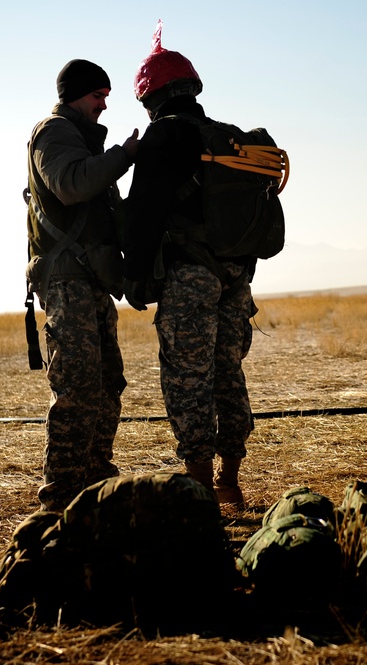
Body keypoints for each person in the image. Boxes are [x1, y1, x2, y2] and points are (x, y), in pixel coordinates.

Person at [123, 26, 257, 505]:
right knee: (229, 373)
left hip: (190, 277)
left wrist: (134, 276)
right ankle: (230, 480)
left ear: (151, 98)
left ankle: (200, 484)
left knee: (187, 378)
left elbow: (143, 212)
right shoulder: (227, 137)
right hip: (237, 277)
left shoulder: (162, 137)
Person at [25, 58, 140, 512]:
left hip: (90, 279)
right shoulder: (52, 134)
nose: (104, 106)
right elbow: (71, 185)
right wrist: (124, 157)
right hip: (68, 280)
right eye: (98, 96)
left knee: (107, 382)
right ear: (75, 95)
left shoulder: (81, 139)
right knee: (75, 387)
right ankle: (60, 499)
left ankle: (94, 481)